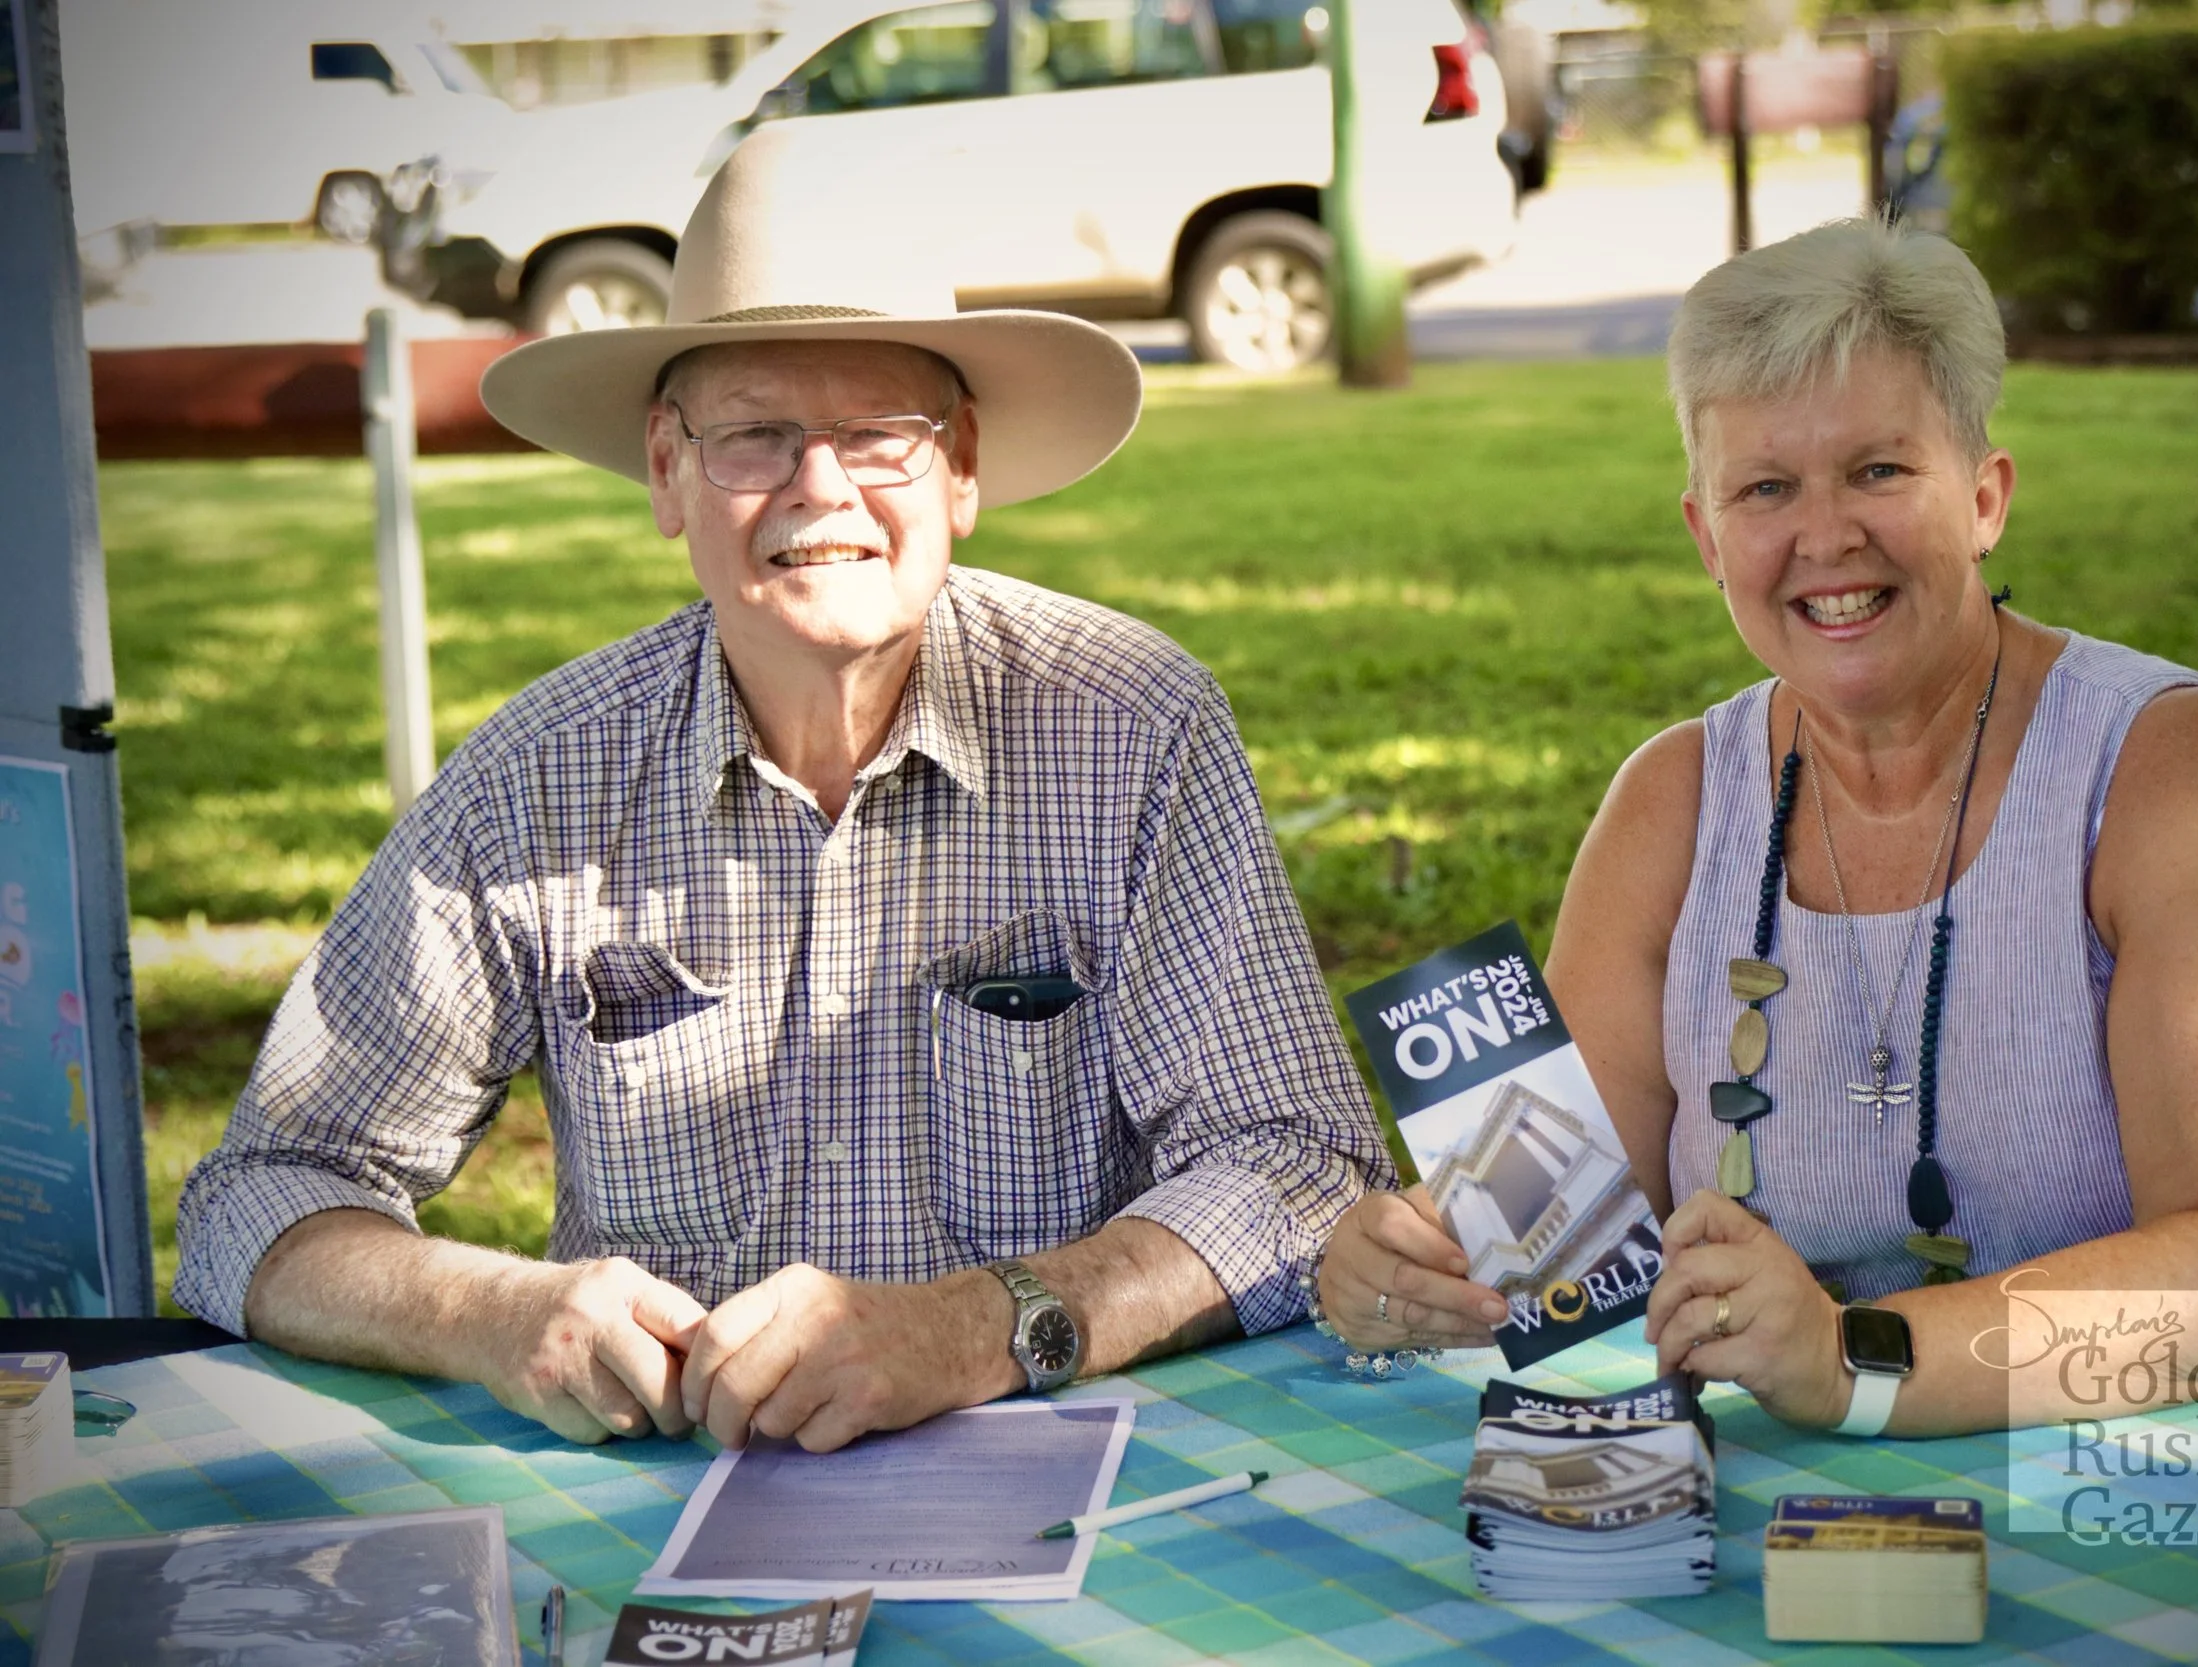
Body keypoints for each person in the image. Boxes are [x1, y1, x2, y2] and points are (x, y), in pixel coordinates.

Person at [174, 124, 1392, 1453]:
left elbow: (1300, 1169)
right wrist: (495, 1308)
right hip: (667, 1485)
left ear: (964, 468)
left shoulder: (1131, 722)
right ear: (664, 469)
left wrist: (976, 1326)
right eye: (755, 437)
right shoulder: (543, 771)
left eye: (881, 436)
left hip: (1063, 1465)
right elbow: (260, 1192)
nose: (823, 491)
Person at [1315, 216, 2198, 1432]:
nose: (1825, 536)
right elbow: (1558, 1246)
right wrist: (1410, 1264)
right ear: (1705, 536)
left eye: (1879, 470)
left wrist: (1857, 1361)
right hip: (1822, 1494)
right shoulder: (1671, 803)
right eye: (1766, 488)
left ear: (1986, 496)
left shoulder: (2170, 769)